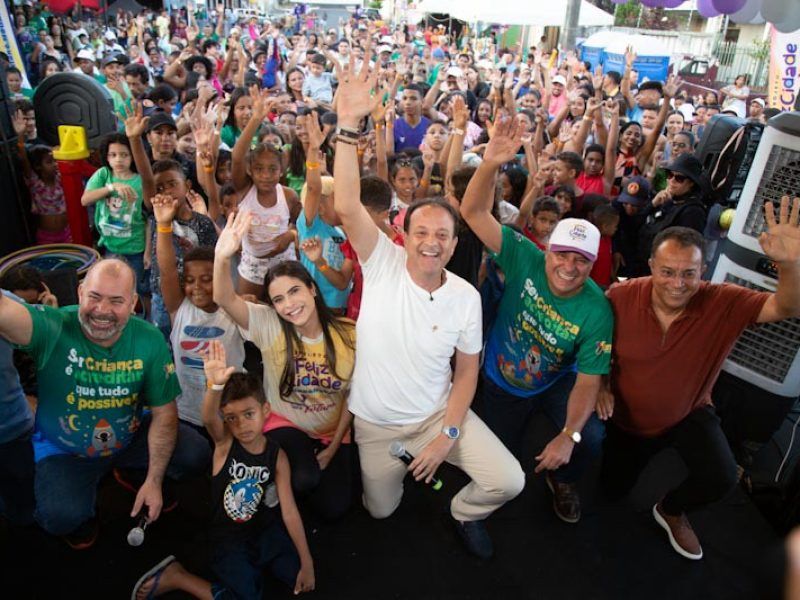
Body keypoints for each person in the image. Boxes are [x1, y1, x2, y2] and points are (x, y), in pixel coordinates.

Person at [332, 49, 524, 559]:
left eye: (443, 234)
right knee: (381, 512)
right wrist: (347, 127)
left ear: (454, 244)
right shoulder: (382, 262)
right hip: (374, 425)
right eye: (422, 231)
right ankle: (401, 476)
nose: (432, 242)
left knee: (508, 481)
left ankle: (462, 512)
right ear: (404, 234)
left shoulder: (465, 298)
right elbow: (347, 205)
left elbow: (466, 374)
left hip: (437, 418)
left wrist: (447, 436)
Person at [598, 204, 800, 560]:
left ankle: (672, 510)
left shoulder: (724, 301)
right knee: (610, 493)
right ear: (650, 268)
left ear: (702, 271)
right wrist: (601, 386)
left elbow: (786, 307)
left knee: (722, 476)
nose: (678, 284)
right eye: (668, 272)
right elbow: (594, 348)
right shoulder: (619, 297)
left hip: (687, 414)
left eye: (688, 273)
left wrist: (790, 265)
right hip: (627, 421)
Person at [460, 116, 613, 525]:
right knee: (498, 458)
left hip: (555, 381)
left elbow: (587, 380)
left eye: (581, 260)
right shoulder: (522, 253)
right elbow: (472, 211)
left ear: (593, 266)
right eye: (562, 254)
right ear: (547, 250)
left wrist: (569, 435)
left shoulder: (597, 310)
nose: (568, 266)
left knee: (591, 435)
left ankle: (564, 480)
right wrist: (490, 163)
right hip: (500, 378)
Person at [0, 259, 209, 548]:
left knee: (195, 453)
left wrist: (154, 479)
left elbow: (164, 414)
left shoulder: (148, 339)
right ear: (80, 291)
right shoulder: (53, 326)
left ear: (134, 302)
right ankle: (84, 514)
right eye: (95, 297)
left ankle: (134, 474)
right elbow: (4, 311)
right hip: (65, 451)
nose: (102, 311)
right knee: (59, 518)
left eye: (116, 301)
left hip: (130, 437)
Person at [131, 342, 315, 599]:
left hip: (263, 531)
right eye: (231, 418)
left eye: (249, 414)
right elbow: (208, 418)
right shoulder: (225, 443)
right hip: (228, 538)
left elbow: (290, 511)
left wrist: (307, 562)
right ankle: (179, 577)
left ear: (265, 411)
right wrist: (215, 385)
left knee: (297, 575)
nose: (241, 424)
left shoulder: (277, 455)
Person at [213, 214, 357, 521]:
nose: (289, 305)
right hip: (284, 423)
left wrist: (332, 448)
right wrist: (222, 256)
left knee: (335, 507)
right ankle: (276, 480)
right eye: (278, 299)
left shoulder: (348, 334)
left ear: (312, 290)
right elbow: (223, 297)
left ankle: (286, 479)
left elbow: (353, 398)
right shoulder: (269, 323)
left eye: (294, 292)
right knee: (304, 479)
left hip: (332, 432)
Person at [152, 194, 245, 431]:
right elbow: (167, 270)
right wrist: (163, 225)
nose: (196, 288)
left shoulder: (234, 309)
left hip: (229, 410)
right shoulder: (179, 308)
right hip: (187, 412)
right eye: (190, 280)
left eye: (206, 279)